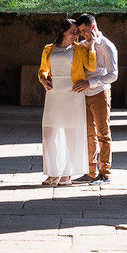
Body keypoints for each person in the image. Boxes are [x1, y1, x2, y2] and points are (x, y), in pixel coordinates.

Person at [37, 18, 97, 186]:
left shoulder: (79, 49)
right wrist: (43, 79)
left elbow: (91, 67)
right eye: (72, 32)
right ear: (63, 31)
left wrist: (90, 46)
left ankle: (66, 174)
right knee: (49, 135)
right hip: (54, 94)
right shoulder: (49, 49)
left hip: (73, 93)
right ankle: (52, 172)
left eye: (76, 33)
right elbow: (43, 70)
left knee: (71, 135)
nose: (75, 35)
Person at [72, 13, 118, 184]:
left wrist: (90, 83)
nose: (81, 34)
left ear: (92, 27)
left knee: (103, 134)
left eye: (83, 31)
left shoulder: (108, 46)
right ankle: (91, 171)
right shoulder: (83, 45)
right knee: (89, 134)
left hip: (100, 93)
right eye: (80, 31)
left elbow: (113, 74)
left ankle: (105, 173)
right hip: (84, 94)